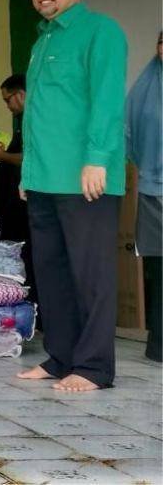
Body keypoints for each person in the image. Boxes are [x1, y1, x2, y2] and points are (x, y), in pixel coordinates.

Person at [17, 0, 127, 392]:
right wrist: (28, 171)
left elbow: (106, 99)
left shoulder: (101, 31)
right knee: (53, 272)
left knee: (91, 274)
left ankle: (95, 367)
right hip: (44, 178)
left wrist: (97, 158)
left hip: (85, 177)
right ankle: (61, 357)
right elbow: (38, 116)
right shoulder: (42, 40)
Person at [127, 33, 162, 362]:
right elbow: (127, 133)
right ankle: (160, 345)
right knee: (159, 266)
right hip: (154, 189)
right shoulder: (144, 89)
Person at [0, 74, 37, 307]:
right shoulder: (22, 121)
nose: (7, 106)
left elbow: (31, 158)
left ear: (21, 94)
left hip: (26, 207)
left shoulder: (35, 119)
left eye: (8, 100)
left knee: (29, 257)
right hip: (13, 208)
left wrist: (1, 156)